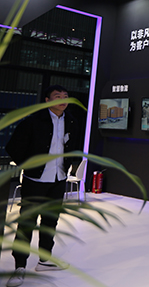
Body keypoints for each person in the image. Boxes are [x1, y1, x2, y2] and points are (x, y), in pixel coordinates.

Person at [5, 85, 82, 286]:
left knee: (50, 221)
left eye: (66, 96)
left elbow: (73, 145)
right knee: (27, 223)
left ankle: (44, 260)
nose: (63, 100)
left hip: (58, 179)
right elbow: (13, 147)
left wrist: (67, 165)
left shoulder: (72, 121)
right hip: (35, 181)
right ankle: (20, 266)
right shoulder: (33, 121)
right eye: (58, 96)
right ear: (47, 100)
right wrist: (29, 166)